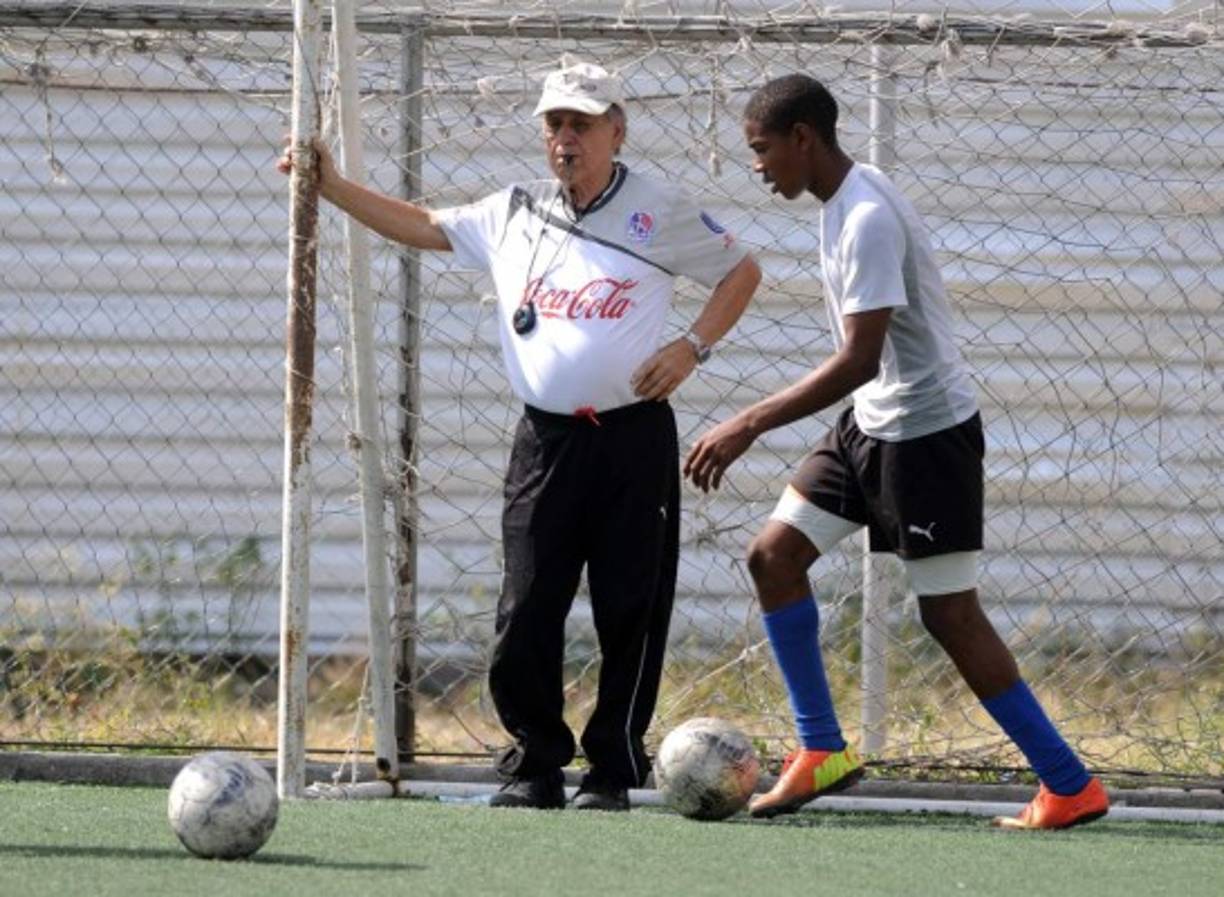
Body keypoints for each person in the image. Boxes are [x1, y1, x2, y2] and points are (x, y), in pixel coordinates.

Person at [279, 59, 760, 811]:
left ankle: (612, 767)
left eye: (583, 124)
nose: (567, 138)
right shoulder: (513, 212)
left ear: (616, 130)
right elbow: (425, 225)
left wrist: (690, 346)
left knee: (629, 605)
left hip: (633, 439)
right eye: (556, 125)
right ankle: (534, 762)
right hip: (546, 441)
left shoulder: (657, 209)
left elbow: (741, 271)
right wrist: (331, 185)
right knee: (528, 602)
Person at [683, 74, 1108, 830]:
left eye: (761, 149)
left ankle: (1069, 783)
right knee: (772, 557)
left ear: (803, 138)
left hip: (926, 437)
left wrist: (747, 422)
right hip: (867, 429)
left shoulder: (868, 217)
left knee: (949, 615)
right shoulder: (841, 197)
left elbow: (859, 358)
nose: (757, 166)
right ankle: (822, 749)